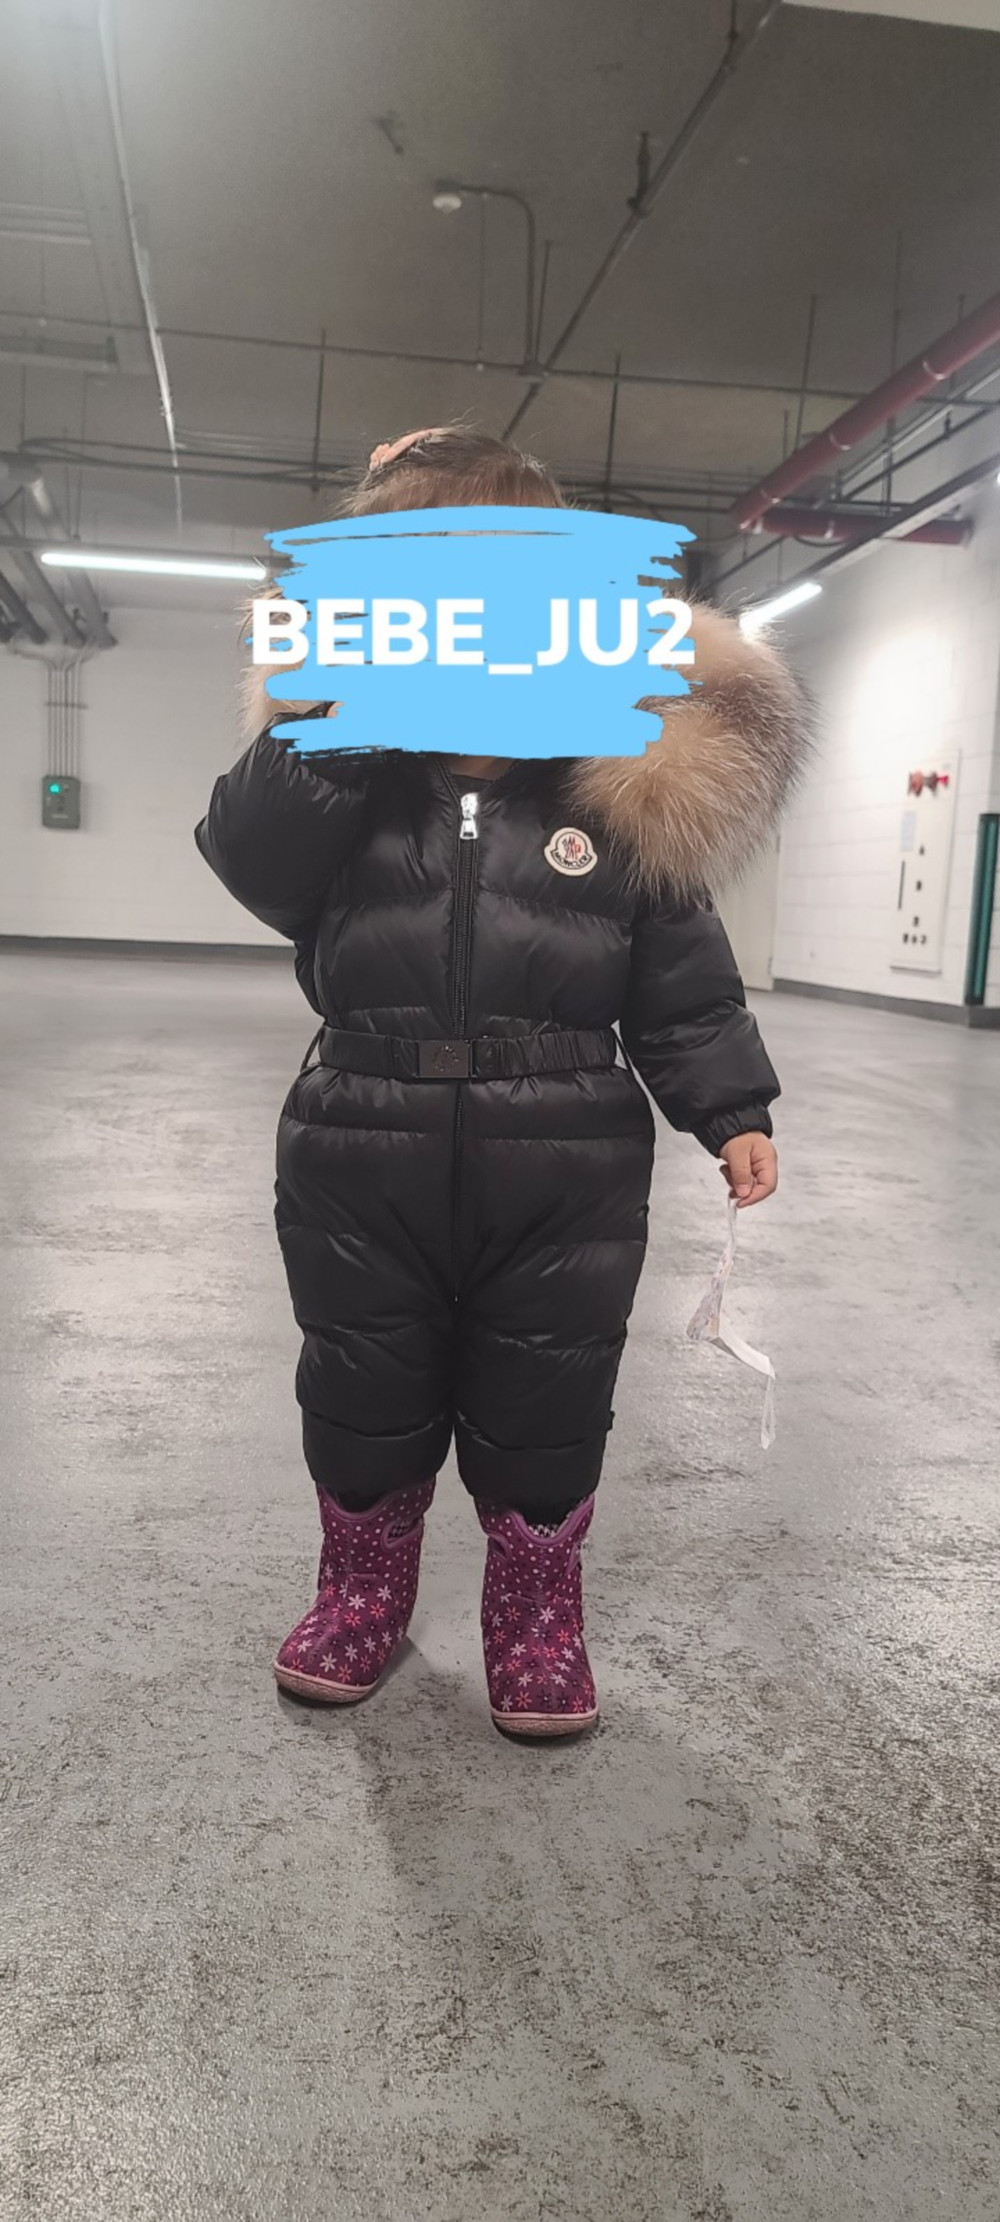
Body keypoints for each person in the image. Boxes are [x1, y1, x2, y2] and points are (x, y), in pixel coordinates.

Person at [194, 426, 809, 1741]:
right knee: (362, 1372)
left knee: (550, 1383)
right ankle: (362, 1582)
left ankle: (535, 1604)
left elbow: (680, 970)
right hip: (360, 1133)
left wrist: (730, 1106)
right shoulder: (340, 770)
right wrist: (334, 727)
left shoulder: (615, 781)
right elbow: (249, 859)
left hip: (568, 1152)